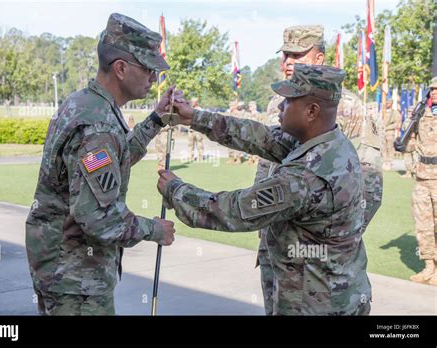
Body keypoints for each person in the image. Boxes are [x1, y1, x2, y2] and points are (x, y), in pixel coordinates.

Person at [158, 64, 372, 315]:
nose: (280, 107)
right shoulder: (330, 144)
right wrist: (194, 117)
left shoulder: (305, 176)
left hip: (317, 306)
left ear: (311, 112)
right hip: (340, 295)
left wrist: (176, 190)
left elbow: (235, 211)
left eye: (288, 101)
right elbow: (259, 136)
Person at [25, 13, 189, 315]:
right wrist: (153, 229)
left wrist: (154, 120)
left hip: (62, 267)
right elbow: (98, 218)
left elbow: (115, 159)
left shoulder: (85, 103)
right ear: (122, 68)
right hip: (75, 278)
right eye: (149, 68)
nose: (154, 78)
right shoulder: (98, 125)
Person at [257, 25, 382, 314]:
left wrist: (330, 244)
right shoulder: (277, 102)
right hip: (275, 247)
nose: (288, 61)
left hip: (319, 263)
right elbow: (267, 170)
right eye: (285, 54)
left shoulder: (349, 107)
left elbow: (370, 187)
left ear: (319, 59)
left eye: (297, 54)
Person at [409, 76, 437, 286]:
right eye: (432, 89)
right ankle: (428, 267)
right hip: (421, 175)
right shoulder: (421, 114)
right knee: (423, 223)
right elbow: (411, 141)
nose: (434, 92)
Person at [381, 99, 400, 170]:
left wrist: (387, 127)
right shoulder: (382, 112)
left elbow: (397, 123)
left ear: (391, 104)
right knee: (383, 147)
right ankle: (384, 161)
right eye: (386, 103)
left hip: (390, 132)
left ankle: (389, 162)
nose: (387, 104)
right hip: (382, 132)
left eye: (388, 103)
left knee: (390, 147)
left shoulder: (394, 113)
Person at [187, 97, 204, 162]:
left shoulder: (200, 110)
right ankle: (191, 157)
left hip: (198, 130)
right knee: (190, 145)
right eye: (191, 102)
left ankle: (201, 157)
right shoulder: (190, 109)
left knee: (200, 144)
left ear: (196, 102)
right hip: (191, 130)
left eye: (193, 102)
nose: (192, 103)